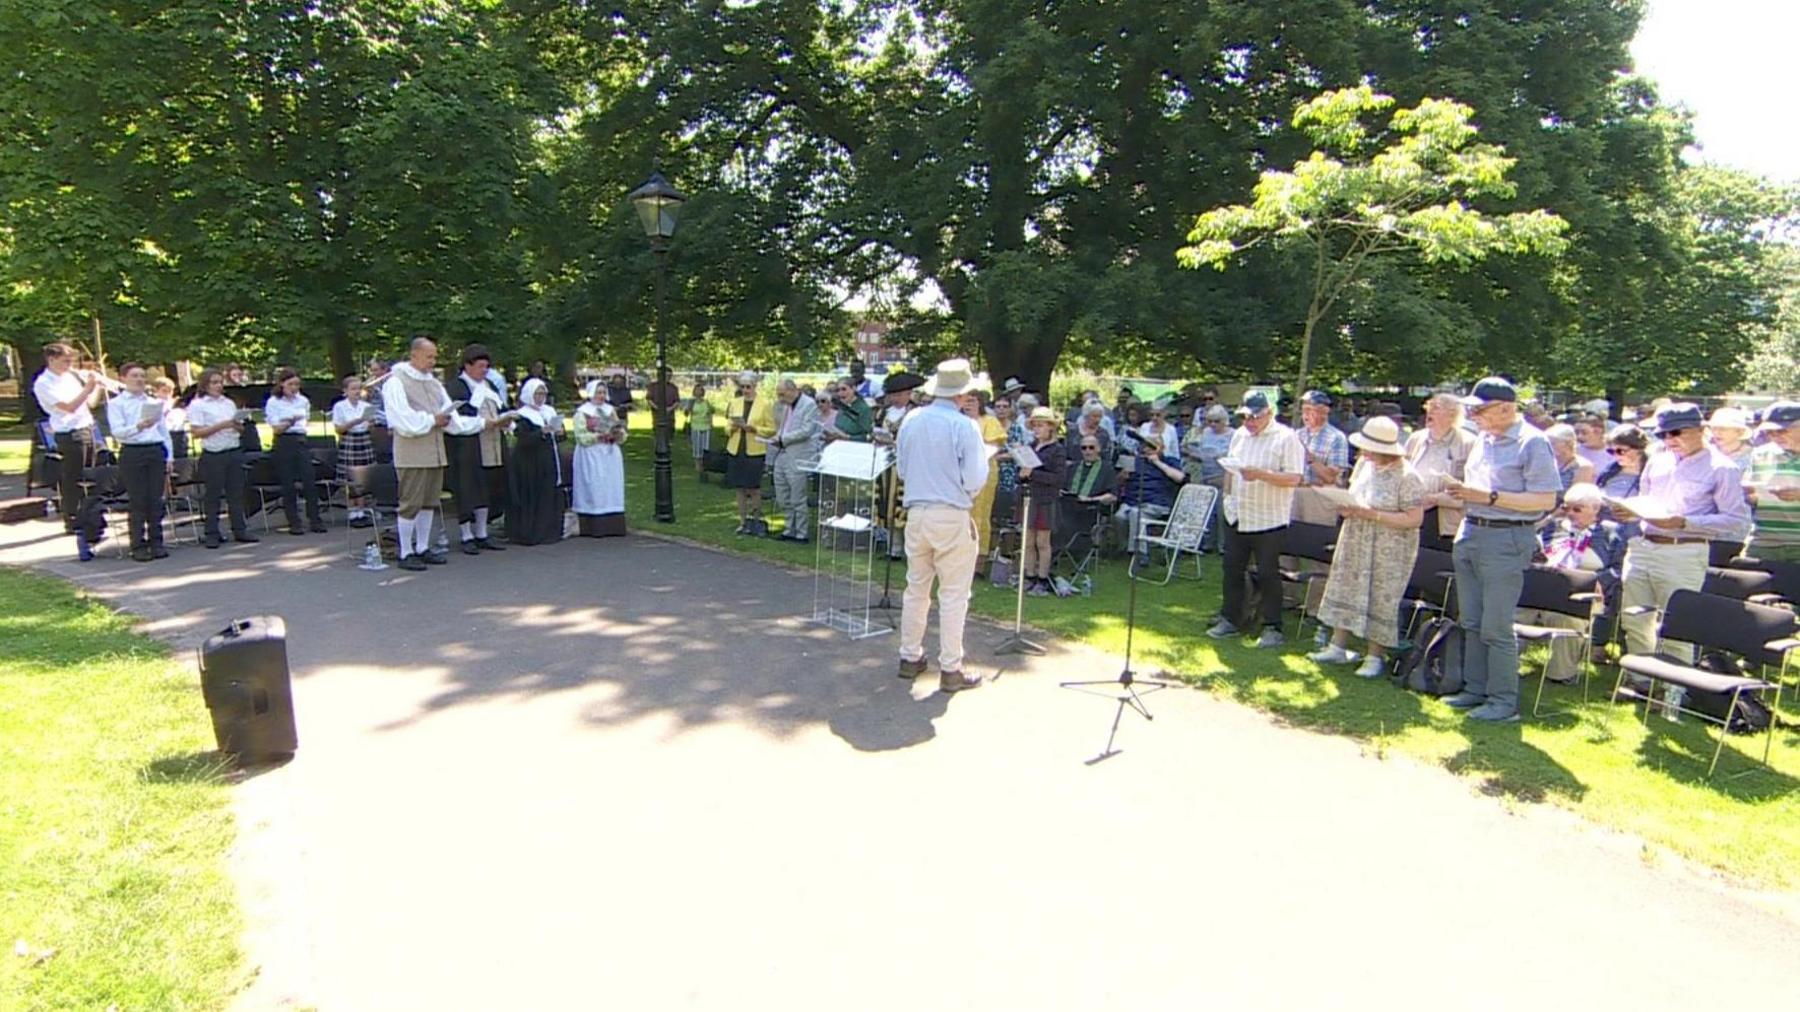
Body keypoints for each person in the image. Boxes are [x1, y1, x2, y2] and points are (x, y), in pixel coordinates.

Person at [1439, 377, 1563, 723]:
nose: (1473, 415)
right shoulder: (1484, 440)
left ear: (1507, 408)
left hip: (1507, 537)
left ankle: (1503, 701)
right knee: (1472, 620)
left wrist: (1489, 498)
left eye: (1480, 409)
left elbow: (1545, 500)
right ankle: (1475, 690)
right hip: (1472, 530)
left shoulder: (1533, 443)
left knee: (1496, 624)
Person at [1613, 403, 1751, 665]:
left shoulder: (1723, 468)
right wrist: (1631, 512)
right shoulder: (1657, 460)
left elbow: (1736, 520)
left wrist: (1684, 522)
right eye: (1662, 434)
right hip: (1643, 546)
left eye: (1676, 432)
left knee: (1677, 624)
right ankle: (1641, 682)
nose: (1669, 439)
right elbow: (1647, 500)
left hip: (1683, 550)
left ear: (1701, 430)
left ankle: (1673, 694)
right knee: (1634, 619)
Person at [896, 359, 990, 692]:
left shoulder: (912, 419)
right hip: (950, 512)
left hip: (918, 511)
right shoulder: (965, 426)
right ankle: (950, 667)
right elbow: (975, 477)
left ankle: (910, 656)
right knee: (953, 594)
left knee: (916, 588)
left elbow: (903, 469)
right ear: (964, 393)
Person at [1307, 417, 1426, 677]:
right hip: (1356, 538)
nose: (1364, 453)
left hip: (1389, 546)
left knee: (1381, 594)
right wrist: (1347, 507)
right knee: (1346, 585)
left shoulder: (1408, 476)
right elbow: (1357, 496)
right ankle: (1337, 645)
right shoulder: (1364, 465)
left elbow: (1414, 518)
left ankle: (1374, 656)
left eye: (1370, 448)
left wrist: (1374, 515)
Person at [1208, 392, 1305, 648]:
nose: (1249, 421)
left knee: (1267, 573)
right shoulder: (1240, 435)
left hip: (1268, 518)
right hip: (1238, 513)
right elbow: (1231, 470)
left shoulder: (1286, 438)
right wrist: (1228, 497)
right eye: (1245, 416)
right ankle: (1230, 618)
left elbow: (1294, 478)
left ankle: (1273, 626)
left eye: (1255, 417)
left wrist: (1261, 474)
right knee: (1232, 569)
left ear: (1268, 413)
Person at [380, 337, 485, 570]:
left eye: (434, 357)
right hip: (411, 453)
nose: (433, 361)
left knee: (429, 502)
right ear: (414, 355)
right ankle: (406, 552)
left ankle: (422, 547)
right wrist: (432, 420)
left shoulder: (434, 384)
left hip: (435, 451)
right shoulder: (397, 381)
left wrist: (482, 423)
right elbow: (402, 419)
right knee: (411, 502)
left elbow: (452, 420)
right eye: (429, 357)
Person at [1523, 483, 1624, 682]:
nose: (1570, 513)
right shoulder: (1554, 528)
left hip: (1582, 595)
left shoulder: (1610, 533)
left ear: (1595, 509)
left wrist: (1594, 581)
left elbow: (1617, 569)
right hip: (1545, 589)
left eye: (1577, 509)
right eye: (1566, 508)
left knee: (1569, 620)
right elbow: (1536, 555)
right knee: (1518, 612)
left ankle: (1561, 675)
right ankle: (1504, 666)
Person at [445, 344, 513, 554]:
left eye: (486, 366)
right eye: (480, 366)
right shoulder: (457, 387)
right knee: (468, 488)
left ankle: (482, 533)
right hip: (468, 446)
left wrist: (506, 421)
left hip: (491, 444)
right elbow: (457, 418)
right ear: (467, 365)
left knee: (487, 488)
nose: (484, 370)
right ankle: (466, 535)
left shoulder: (489, 386)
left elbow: (501, 408)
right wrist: (483, 422)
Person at [105, 363, 175, 562]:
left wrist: (169, 456)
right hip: (133, 451)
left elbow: (163, 431)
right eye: (135, 376)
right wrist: (138, 427)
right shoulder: (117, 404)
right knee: (138, 500)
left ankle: (157, 542)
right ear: (123, 378)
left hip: (154, 450)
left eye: (143, 376)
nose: (139, 380)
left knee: (155, 498)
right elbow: (117, 432)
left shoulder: (153, 402)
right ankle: (138, 544)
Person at [32, 342, 104, 532]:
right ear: (51, 359)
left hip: (87, 427)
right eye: (65, 361)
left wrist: (96, 386)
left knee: (91, 474)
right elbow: (69, 407)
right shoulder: (43, 383)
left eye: (71, 360)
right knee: (74, 476)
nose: (69, 365)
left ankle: (91, 514)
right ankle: (72, 518)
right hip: (69, 433)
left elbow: (90, 403)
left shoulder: (69, 377)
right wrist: (88, 388)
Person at [186, 368, 258, 549]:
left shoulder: (228, 403)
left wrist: (237, 426)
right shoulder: (198, 405)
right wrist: (221, 425)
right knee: (213, 495)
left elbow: (240, 429)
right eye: (214, 383)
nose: (218, 386)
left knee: (236, 493)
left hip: (233, 450)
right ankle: (211, 532)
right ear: (205, 385)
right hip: (213, 453)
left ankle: (239, 529)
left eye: (220, 382)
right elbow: (196, 432)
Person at [1404, 392, 1475, 545]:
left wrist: (1433, 499)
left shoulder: (1469, 443)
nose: (1430, 410)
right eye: (1429, 406)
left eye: (1436, 407)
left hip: (1444, 520)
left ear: (1452, 415)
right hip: (1413, 510)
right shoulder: (1416, 438)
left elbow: (1472, 491)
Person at [264, 367, 326, 535]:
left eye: (297, 384)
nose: (294, 388)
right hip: (284, 441)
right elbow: (276, 428)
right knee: (288, 483)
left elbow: (303, 423)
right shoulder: (274, 402)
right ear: (282, 384)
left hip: (300, 440)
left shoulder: (303, 401)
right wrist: (289, 422)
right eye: (291, 384)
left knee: (309, 480)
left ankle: (315, 519)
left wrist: (292, 422)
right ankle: (294, 522)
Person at [508, 377, 566, 546]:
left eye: (543, 393)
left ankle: (550, 531)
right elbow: (523, 439)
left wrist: (559, 432)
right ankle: (531, 533)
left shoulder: (549, 411)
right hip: (530, 462)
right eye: (538, 393)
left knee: (549, 493)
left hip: (549, 459)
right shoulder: (522, 415)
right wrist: (542, 432)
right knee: (533, 495)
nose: (541, 397)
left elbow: (561, 437)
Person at [1015, 407, 1067, 596]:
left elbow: (1059, 479)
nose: (1036, 429)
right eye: (1034, 426)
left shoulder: (1057, 450)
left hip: (1046, 500)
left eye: (1041, 425)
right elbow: (1020, 474)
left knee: (1042, 542)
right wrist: (1021, 475)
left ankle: (1043, 578)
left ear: (1051, 427)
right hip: (1029, 497)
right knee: (1027, 541)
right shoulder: (1029, 446)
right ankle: (1029, 575)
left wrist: (1033, 474)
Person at [1744, 401, 1800, 563]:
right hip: (1763, 543)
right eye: (1769, 432)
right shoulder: (1760, 454)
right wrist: (1751, 494)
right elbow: (1750, 495)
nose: (1775, 436)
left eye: (1781, 431)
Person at [722, 371, 776, 534]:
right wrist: (732, 428)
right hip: (736, 448)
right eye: (743, 387)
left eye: (748, 387)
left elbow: (772, 430)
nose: (746, 390)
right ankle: (743, 521)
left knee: (753, 488)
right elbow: (727, 425)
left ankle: (757, 521)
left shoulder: (764, 405)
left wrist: (755, 429)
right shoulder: (735, 403)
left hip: (754, 451)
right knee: (739, 487)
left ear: (754, 387)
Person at [769, 378, 822, 542]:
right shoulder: (785, 405)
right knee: (782, 492)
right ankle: (788, 528)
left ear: (793, 390)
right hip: (783, 452)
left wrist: (784, 438)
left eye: (782, 394)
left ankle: (801, 532)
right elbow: (783, 426)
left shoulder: (809, 405)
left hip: (799, 454)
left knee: (797, 495)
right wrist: (777, 437)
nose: (780, 398)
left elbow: (807, 430)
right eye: (778, 394)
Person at [963, 390, 1007, 567]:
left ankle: (979, 558)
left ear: (980, 403)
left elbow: (993, 446)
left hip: (984, 471)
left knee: (980, 513)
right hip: (960, 473)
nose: (968, 404)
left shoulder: (989, 421)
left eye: (972, 401)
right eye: (965, 401)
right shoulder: (958, 421)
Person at [572, 381, 627, 524]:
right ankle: (592, 520)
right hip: (591, 454)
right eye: (598, 392)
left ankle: (612, 519)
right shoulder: (583, 412)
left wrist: (618, 434)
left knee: (610, 486)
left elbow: (621, 432)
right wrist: (597, 436)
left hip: (609, 454)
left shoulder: (610, 410)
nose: (601, 396)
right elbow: (580, 437)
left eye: (603, 392)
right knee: (594, 486)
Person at [331, 375, 379, 528]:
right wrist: (355, 421)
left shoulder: (365, 406)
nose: (356, 392)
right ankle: (353, 512)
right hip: (349, 440)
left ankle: (363, 510)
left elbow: (370, 426)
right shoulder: (340, 406)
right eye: (353, 389)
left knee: (365, 477)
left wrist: (370, 423)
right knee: (351, 478)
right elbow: (339, 429)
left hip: (363, 440)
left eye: (359, 388)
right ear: (345, 391)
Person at [1545, 423, 1595, 492]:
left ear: (1568, 443)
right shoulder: (1548, 463)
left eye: (1553, 443)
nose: (1548, 446)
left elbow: (1576, 495)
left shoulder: (1583, 467)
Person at [825, 377, 874, 442]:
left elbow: (868, 436)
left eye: (844, 389)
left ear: (853, 388)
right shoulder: (842, 406)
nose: (840, 393)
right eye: (838, 390)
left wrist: (847, 437)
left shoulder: (864, 409)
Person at [151, 377, 188, 458]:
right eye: (164, 391)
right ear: (156, 391)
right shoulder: (154, 404)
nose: (168, 394)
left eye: (170, 391)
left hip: (178, 434)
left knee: (180, 458)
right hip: (162, 434)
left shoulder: (176, 402)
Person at [684, 381, 714, 477]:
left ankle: (704, 465)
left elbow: (711, 412)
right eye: (697, 390)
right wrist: (688, 409)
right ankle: (697, 465)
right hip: (695, 426)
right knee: (697, 446)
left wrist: (711, 422)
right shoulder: (691, 402)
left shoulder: (706, 402)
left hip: (706, 426)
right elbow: (686, 413)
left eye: (700, 390)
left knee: (705, 447)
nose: (699, 392)